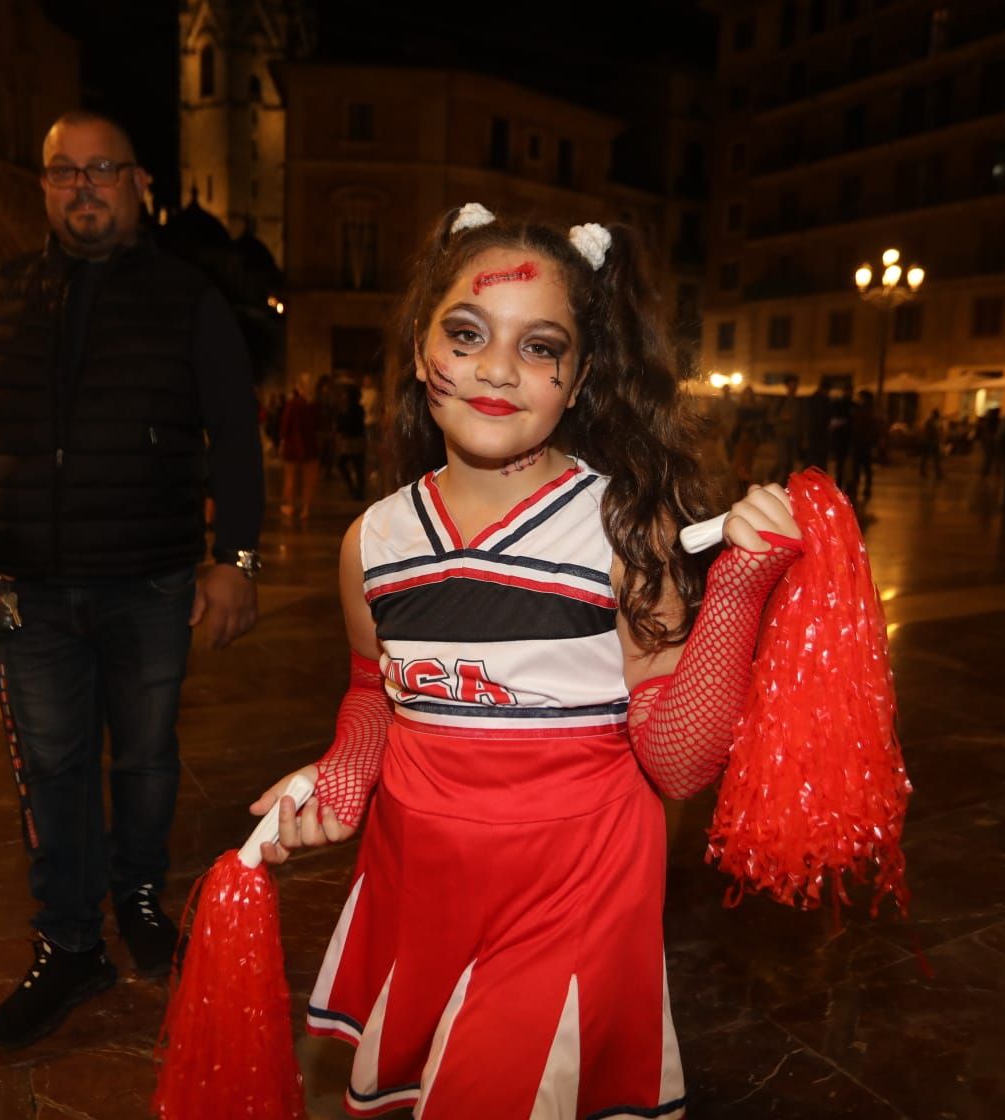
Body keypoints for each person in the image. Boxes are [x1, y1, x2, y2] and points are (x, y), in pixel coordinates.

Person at [249, 204, 803, 1118]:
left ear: (582, 377)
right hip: (420, 880)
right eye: (466, 334)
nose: (498, 369)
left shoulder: (627, 530)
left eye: (542, 347)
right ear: (420, 345)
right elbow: (371, 693)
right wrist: (346, 776)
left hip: (571, 889)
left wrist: (738, 590)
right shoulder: (371, 541)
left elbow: (677, 761)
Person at [0, 109, 264, 1049]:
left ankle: (142, 902)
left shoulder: (188, 299)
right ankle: (70, 943)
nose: (82, 187)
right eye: (63, 172)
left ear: (136, 182)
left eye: (101, 169)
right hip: (25, 592)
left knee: (147, 758)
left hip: (150, 583)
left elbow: (235, 435)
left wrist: (235, 559)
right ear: (44, 186)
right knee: (53, 769)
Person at [278, 376, 323, 521]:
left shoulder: (292, 404)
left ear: (297, 386)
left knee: (290, 478)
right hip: (310, 445)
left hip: (293, 446)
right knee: (309, 481)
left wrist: (282, 441)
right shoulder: (315, 405)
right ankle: (306, 509)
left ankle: (290, 507)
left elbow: (285, 426)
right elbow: (320, 424)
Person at [334, 380, 367, 500]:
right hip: (353, 441)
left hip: (353, 441)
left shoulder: (355, 409)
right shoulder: (348, 408)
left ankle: (357, 491)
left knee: (354, 466)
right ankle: (356, 490)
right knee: (352, 466)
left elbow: (350, 425)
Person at [848, 388, 878, 502]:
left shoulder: (864, 411)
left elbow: (861, 427)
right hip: (864, 443)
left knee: (860, 467)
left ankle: (858, 487)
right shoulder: (868, 410)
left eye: (860, 397)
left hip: (861, 442)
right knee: (865, 467)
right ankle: (864, 487)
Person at [771, 375, 804, 480]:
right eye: (791, 384)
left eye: (795, 385)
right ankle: (773, 479)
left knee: (791, 464)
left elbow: (803, 420)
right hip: (782, 435)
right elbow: (770, 418)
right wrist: (781, 418)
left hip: (794, 436)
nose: (793, 387)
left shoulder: (800, 402)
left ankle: (786, 485)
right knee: (782, 462)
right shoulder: (780, 401)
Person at [919, 409, 944, 480]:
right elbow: (933, 432)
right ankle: (937, 473)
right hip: (930, 442)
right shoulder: (931, 422)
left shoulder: (932, 422)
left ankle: (938, 473)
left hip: (931, 442)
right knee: (930, 458)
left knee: (932, 458)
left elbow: (937, 432)